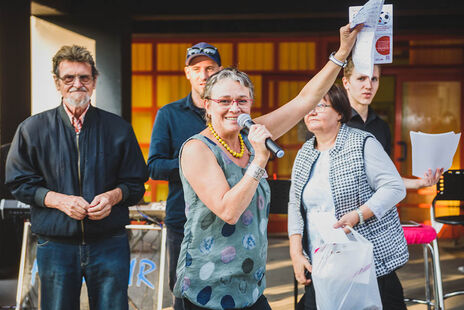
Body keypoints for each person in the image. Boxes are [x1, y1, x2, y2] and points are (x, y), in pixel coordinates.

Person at [174, 23, 362, 309]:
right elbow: (229, 210)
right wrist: (260, 159)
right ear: (208, 106)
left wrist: (343, 51)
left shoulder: (251, 134)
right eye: (224, 101)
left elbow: (305, 100)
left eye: (242, 101)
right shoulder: (197, 149)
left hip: (249, 286)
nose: (234, 109)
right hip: (206, 289)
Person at [5, 45, 148, 310]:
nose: (77, 84)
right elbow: (18, 182)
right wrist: (58, 200)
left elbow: (137, 184)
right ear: (58, 83)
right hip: (56, 246)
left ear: (94, 81)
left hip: (110, 244)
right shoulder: (32, 129)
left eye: (84, 77)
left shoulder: (118, 128)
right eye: (68, 78)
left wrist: (113, 196)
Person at [288, 84, 409, 309]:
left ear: (340, 113)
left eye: (320, 105)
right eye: (308, 107)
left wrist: (358, 215)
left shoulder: (362, 142)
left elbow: (394, 187)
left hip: (367, 263)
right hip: (322, 262)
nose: (312, 111)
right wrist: (296, 252)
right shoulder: (304, 152)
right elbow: (295, 205)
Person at [147, 42, 222, 310]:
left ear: (219, 71)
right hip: (184, 220)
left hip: (226, 221)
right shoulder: (169, 114)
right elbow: (154, 166)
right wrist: (197, 164)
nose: (204, 74)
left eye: (210, 68)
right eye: (197, 68)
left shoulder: (231, 112)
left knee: (223, 289)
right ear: (187, 73)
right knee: (184, 292)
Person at [342, 58, 443, 188]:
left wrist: (420, 182)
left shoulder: (381, 127)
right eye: (361, 78)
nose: (368, 86)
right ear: (346, 82)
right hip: (344, 207)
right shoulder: (335, 123)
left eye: (374, 79)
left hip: (377, 207)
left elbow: (386, 177)